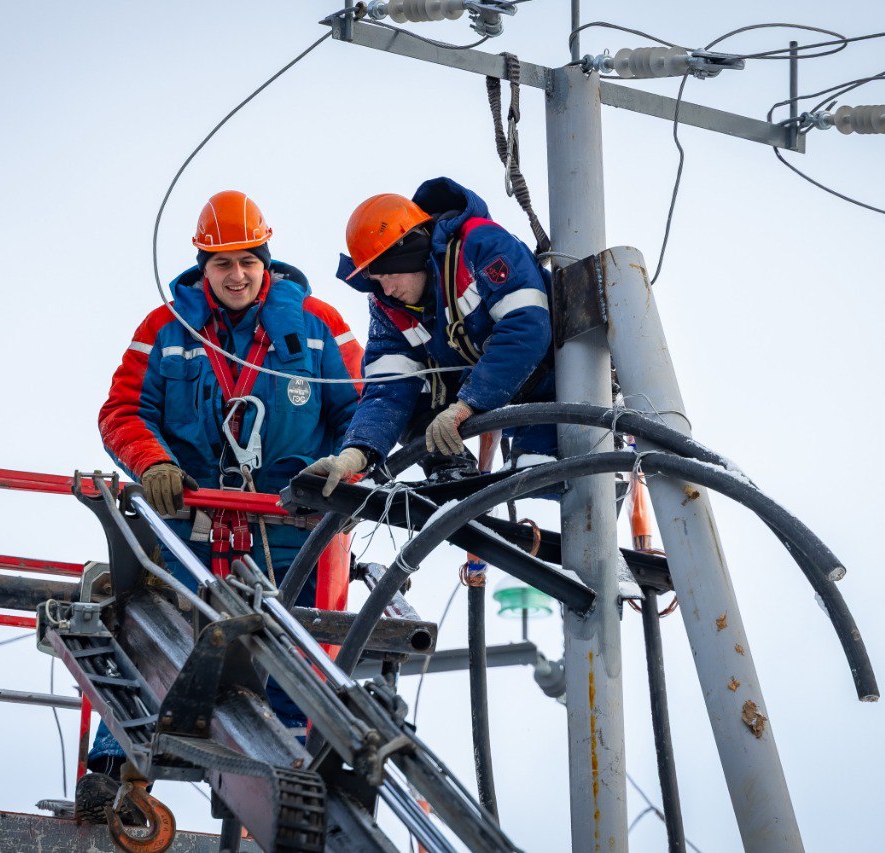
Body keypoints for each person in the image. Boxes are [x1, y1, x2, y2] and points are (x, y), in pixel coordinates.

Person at [78, 190, 362, 821]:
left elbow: (359, 414)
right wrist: (152, 463)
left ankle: (286, 789)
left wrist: (341, 467)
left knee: (293, 654)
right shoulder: (165, 330)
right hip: (190, 522)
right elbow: (122, 411)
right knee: (155, 636)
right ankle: (112, 775)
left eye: (247, 261)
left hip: (292, 526)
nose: (236, 275)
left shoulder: (319, 326)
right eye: (221, 263)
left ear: (267, 260)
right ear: (201, 267)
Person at [304, 177, 555, 494]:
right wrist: (357, 453)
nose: (387, 289)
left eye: (389, 275)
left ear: (410, 254)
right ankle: (450, 472)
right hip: (509, 394)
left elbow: (527, 326)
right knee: (419, 387)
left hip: (563, 381)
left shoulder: (482, 245)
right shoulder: (390, 308)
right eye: (378, 281)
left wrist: (468, 404)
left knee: (554, 482)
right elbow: (388, 388)